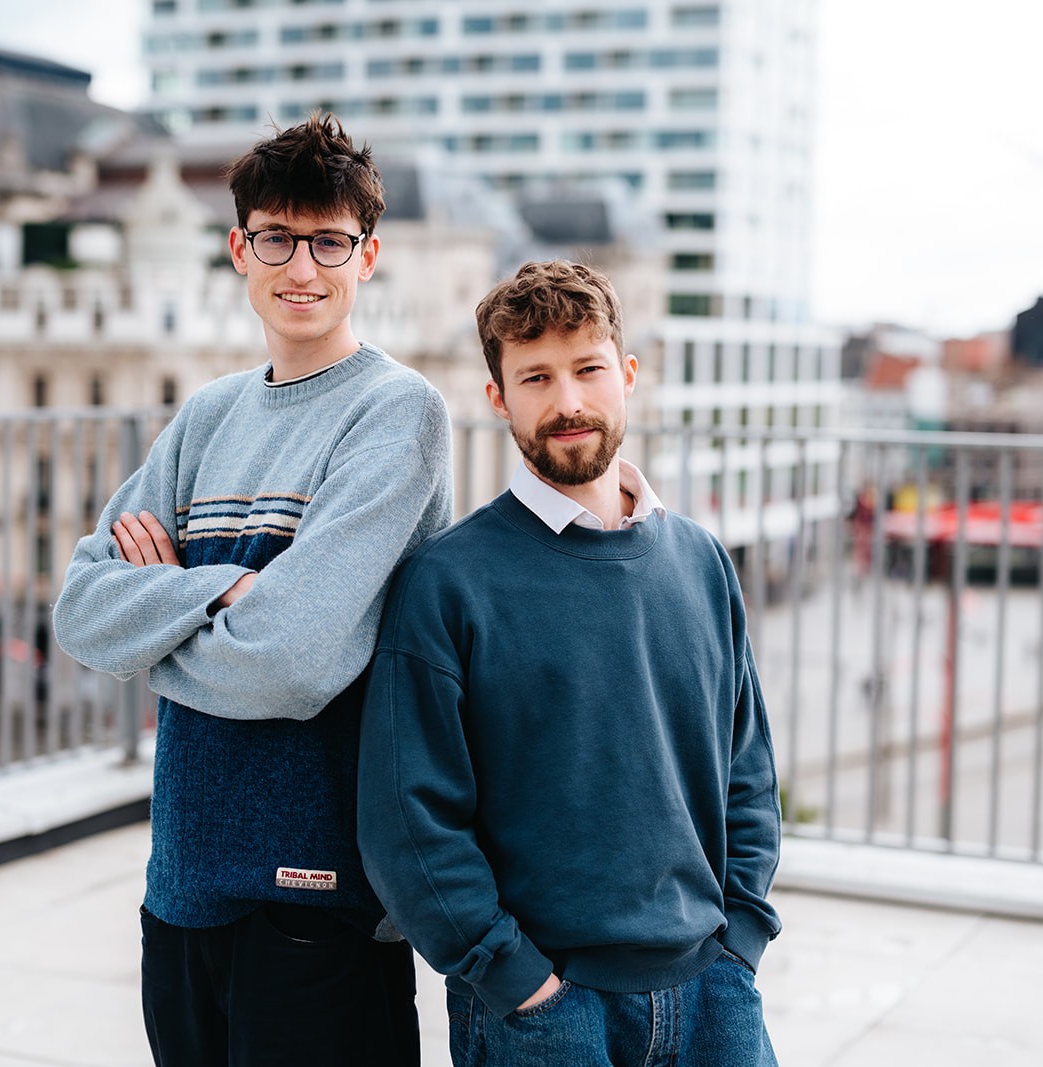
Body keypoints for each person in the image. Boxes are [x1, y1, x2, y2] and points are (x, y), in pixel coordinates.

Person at [52, 113, 451, 1067]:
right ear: (239, 248)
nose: (301, 266)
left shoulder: (397, 413)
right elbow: (78, 610)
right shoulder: (206, 416)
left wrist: (172, 601)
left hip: (320, 893)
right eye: (277, 237)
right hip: (181, 880)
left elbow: (294, 663)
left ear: (368, 255)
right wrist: (234, 591)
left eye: (329, 241)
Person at [358, 260, 781, 1066]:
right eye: (536, 377)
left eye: (588, 368)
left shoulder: (701, 561)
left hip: (713, 990)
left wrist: (743, 938)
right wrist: (512, 976)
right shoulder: (450, 581)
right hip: (544, 1011)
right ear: (498, 398)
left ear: (627, 375)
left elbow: (748, 770)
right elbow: (406, 818)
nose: (569, 402)